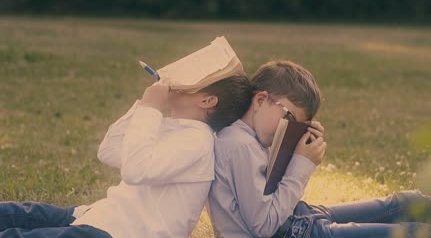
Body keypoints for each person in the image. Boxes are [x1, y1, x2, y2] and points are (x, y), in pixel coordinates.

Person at [208, 60, 431, 238]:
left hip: (300, 218)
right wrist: (302, 164)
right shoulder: (238, 145)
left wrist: (297, 148)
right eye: (290, 120)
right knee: (411, 232)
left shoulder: (252, 138)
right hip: (293, 233)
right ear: (261, 99)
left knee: (405, 203)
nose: (290, 130)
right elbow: (263, 225)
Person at [0, 74, 252, 238]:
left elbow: (135, 170)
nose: (179, 81)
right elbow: (109, 150)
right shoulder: (177, 128)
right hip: (97, 217)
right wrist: (145, 108)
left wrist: (151, 109)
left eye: (191, 80)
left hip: (118, 233)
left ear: (207, 100)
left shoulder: (197, 141)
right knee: (16, 213)